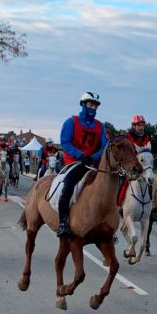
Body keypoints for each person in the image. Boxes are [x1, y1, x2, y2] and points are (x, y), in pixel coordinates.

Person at [55, 91, 108, 238]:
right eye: (91, 104)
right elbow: (65, 142)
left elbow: (104, 145)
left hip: (93, 162)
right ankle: (63, 222)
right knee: (68, 186)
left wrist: (94, 156)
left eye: (96, 106)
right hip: (75, 162)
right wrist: (81, 155)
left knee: (109, 186)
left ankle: (108, 222)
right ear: (83, 105)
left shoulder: (100, 126)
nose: (93, 108)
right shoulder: (71, 122)